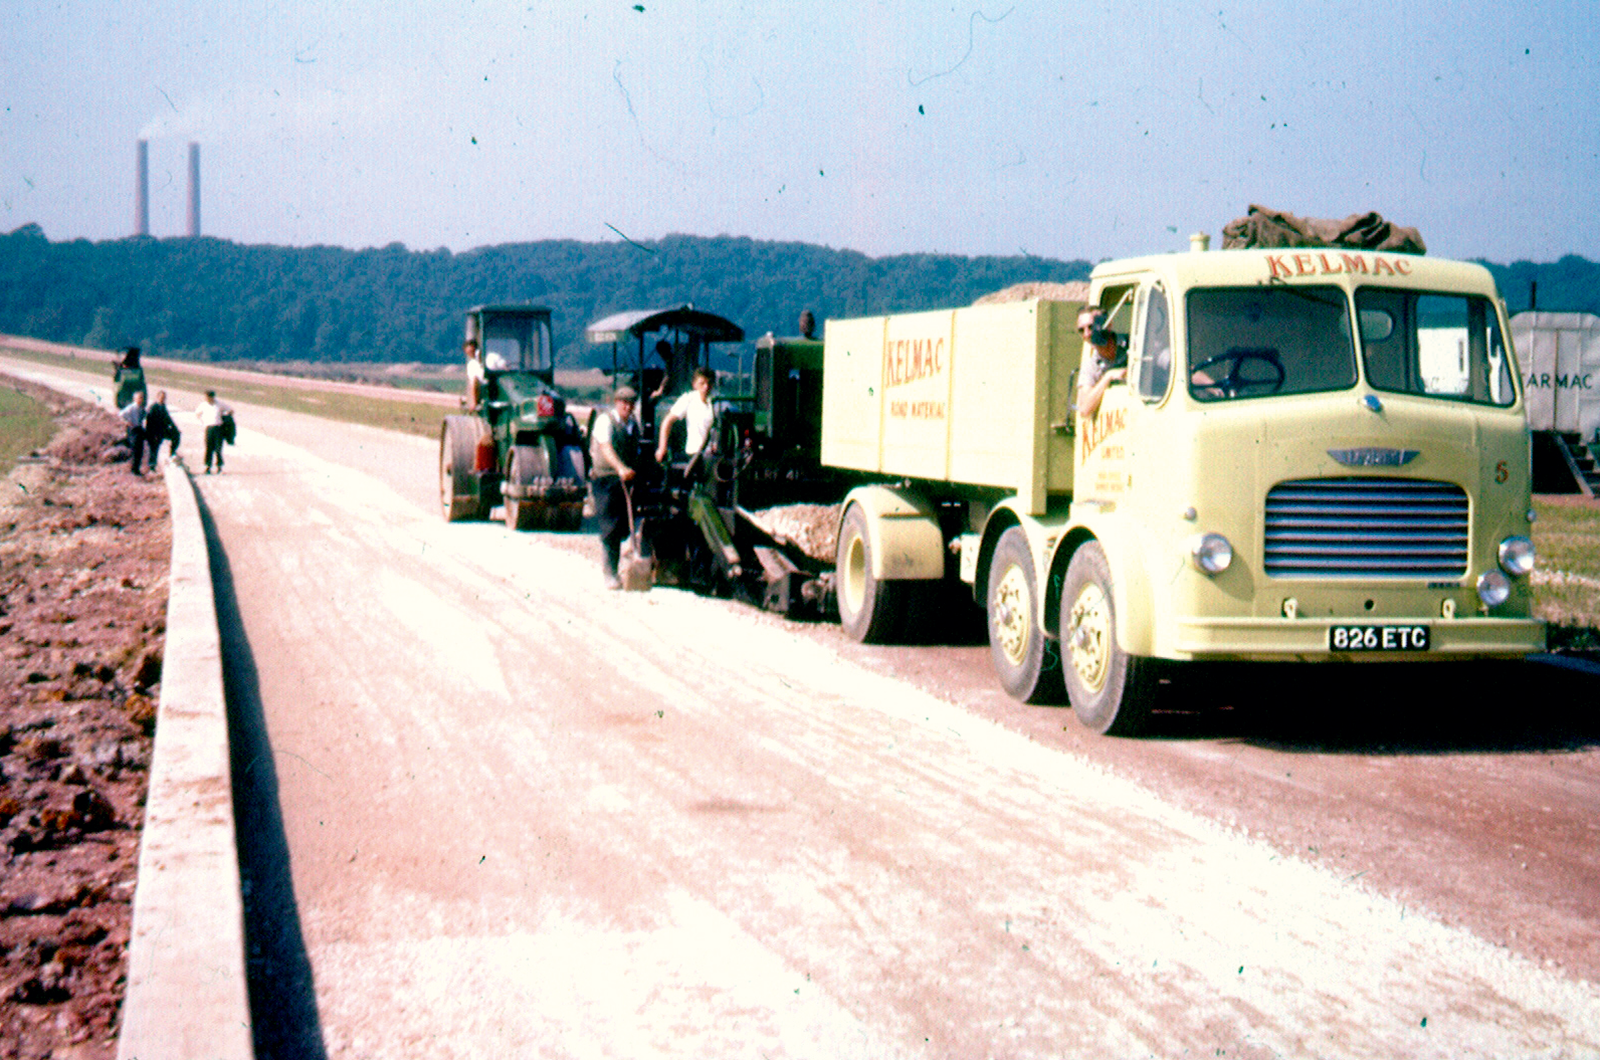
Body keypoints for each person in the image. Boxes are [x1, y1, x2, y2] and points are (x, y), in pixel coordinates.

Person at [589, 386, 642, 589]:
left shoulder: (632, 424)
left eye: (631, 404)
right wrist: (620, 468)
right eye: (624, 403)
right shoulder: (605, 421)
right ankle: (609, 572)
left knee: (623, 527)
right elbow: (606, 447)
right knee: (610, 525)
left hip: (626, 479)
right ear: (616, 402)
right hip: (606, 479)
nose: (627, 407)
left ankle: (627, 567)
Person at [655, 366, 717, 467]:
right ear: (695, 385)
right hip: (695, 454)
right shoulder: (688, 399)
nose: (706, 387)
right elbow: (667, 421)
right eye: (702, 383)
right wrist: (662, 447)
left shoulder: (717, 401)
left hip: (715, 455)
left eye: (709, 383)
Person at [1075, 307, 1126, 418]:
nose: (1087, 334)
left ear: (1108, 325)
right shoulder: (1091, 366)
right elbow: (1084, 410)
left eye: (1091, 327)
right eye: (1081, 330)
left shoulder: (1134, 345)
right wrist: (1108, 377)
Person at [142, 389, 181, 470]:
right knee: (154, 448)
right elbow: (149, 423)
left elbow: (168, 419)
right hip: (154, 432)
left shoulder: (163, 407)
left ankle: (172, 453)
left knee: (176, 435)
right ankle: (152, 465)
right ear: (157, 397)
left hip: (162, 430)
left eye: (164, 398)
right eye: (161, 397)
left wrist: (175, 429)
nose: (162, 399)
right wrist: (152, 434)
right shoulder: (153, 408)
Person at [197, 390, 227, 473]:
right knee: (208, 448)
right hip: (209, 428)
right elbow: (197, 413)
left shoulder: (219, 404)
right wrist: (203, 421)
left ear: (212, 397)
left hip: (218, 428)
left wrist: (225, 418)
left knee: (218, 448)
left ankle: (219, 467)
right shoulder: (203, 405)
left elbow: (230, 410)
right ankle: (208, 466)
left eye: (207, 397)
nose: (206, 398)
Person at [119, 391, 148, 476]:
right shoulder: (131, 408)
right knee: (135, 449)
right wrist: (127, 422)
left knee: (140, 450)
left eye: (142, 398)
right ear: (135, 399)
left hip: (139, 429)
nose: (141, 400)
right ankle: (133, 470)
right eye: (139, 398)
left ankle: (137, 469)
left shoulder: (141, 408)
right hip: (133, 430)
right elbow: (121, 414)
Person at [463, 338, 485, 409]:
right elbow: (472, 381)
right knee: (474, 380)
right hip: (481, 388)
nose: (471, 354)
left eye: (473, 351)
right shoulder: (471, 365)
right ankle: (475, 404)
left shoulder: (490, 358)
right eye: (469, 352)